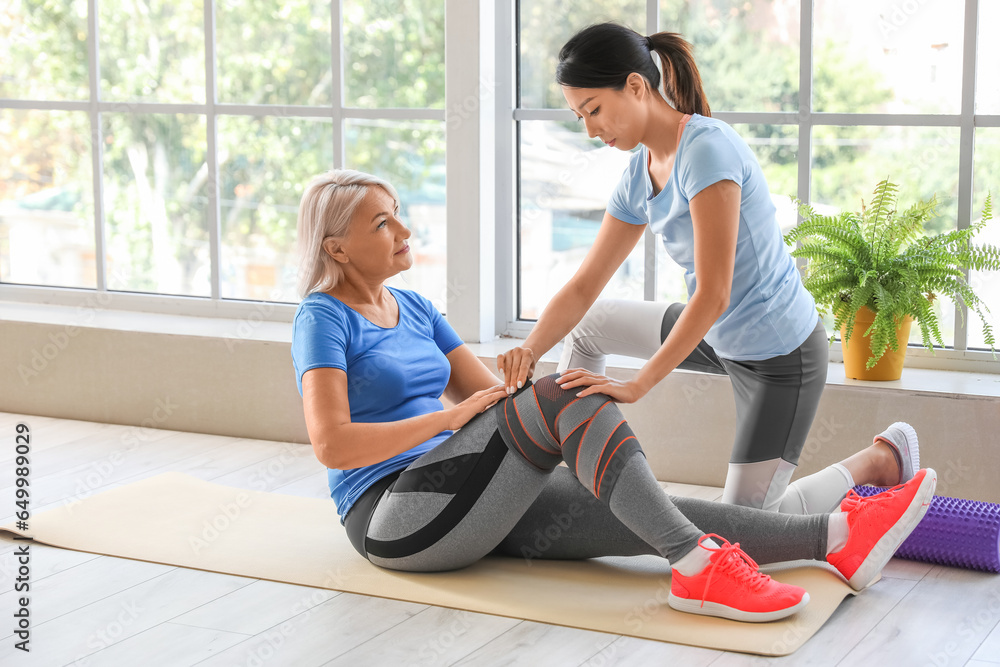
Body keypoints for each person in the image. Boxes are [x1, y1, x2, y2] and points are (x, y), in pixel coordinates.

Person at [291, 169, 937, 623]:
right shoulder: (322, 317)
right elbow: (332, 443)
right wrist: (464, 415)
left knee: (652, 511)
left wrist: (562, 424)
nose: (403, 228)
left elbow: (493, 400)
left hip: (472, 494)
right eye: (382, 222)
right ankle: (696, 569)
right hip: (393, 519)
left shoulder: (414, 307)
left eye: (399, 211)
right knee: (566, 396)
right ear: (336, 247)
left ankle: (838, 537)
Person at [497, 23, 919, 514]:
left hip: (780, 356)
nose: (590, 129)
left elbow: (715, 293)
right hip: (717, 334)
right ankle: (575, 478)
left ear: (636, 86)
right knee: (589, 326)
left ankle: (878, 462)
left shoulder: (707, 150)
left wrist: (639, 384)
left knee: (741, 529)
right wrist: (529, 349)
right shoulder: (640, 171)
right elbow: (585, 285)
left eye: (593, 110)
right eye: (579, 116)